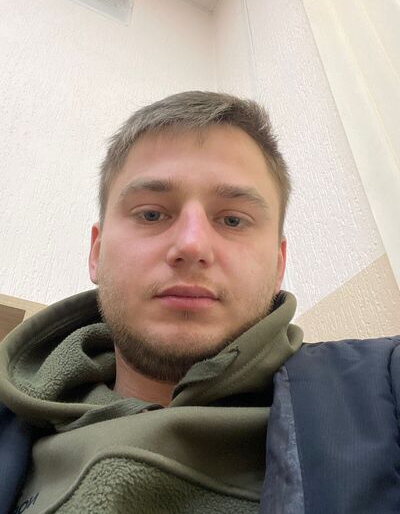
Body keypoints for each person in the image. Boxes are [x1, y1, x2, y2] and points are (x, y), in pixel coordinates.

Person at [0, 91, 399, 514]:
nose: (192, 246)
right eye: (151, 214)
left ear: (278, 265)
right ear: (96, 253)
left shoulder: (384, 393)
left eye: (233, 220)